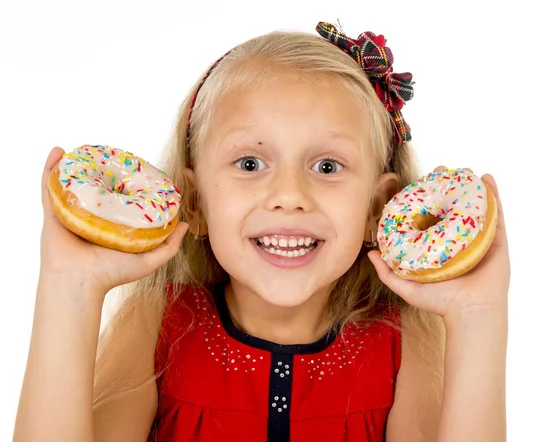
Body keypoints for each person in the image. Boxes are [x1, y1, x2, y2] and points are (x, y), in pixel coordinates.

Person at [13, 22, 510, 442]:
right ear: (196, 202)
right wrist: (68, 287)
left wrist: (478, 318)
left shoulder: (399, 343)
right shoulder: (160, 322)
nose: (288, 194)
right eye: (250, 162)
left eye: (328, 165)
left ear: (376, 208)